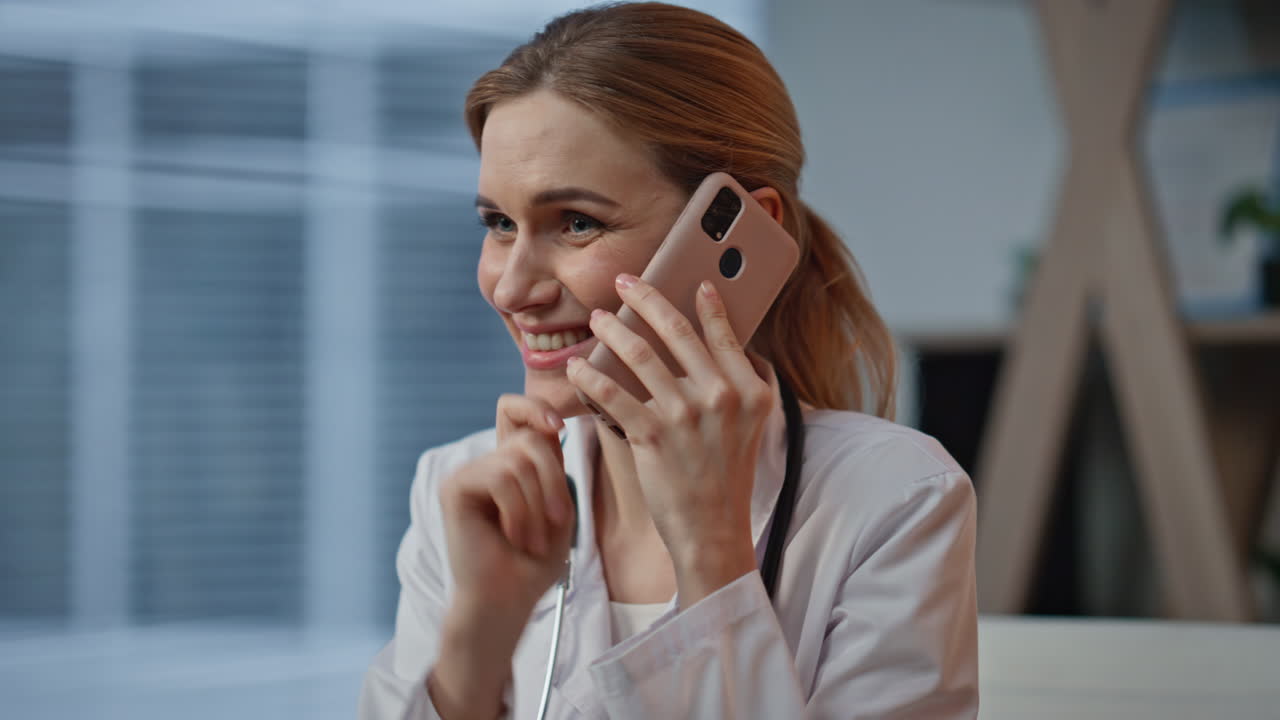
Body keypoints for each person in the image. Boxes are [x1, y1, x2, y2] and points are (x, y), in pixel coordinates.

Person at [358, 3, 978, 718]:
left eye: (577, 223)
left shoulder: (894, 501)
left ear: (744, 231)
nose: (511, 286)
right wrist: (478, 640)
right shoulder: (464, 496)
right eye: (499, 224)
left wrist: (713, 555)